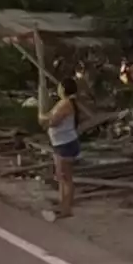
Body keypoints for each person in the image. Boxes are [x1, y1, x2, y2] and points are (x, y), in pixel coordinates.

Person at [39, 77, 81, 220]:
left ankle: (66, 208)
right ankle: (63, 204)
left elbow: (53, 121)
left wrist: (44, 118)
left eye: (59, 87)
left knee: (65, 177)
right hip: (60, 143)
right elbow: (49, 116)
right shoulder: (62, 103)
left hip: (66, 144)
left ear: (64, 89)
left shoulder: (66, 104)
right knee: (61, 177)